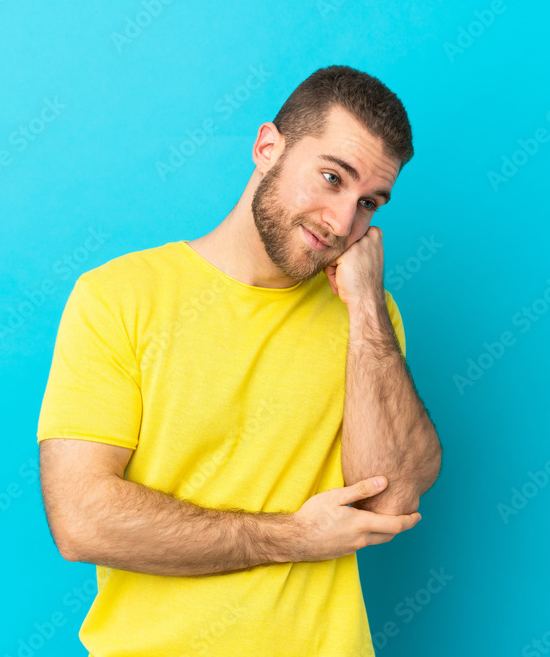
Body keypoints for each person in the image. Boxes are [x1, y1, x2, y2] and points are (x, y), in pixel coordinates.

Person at [36, 64, 442, 656]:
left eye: (369, 203)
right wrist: (293, 538)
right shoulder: (118, 297)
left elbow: (388, 502)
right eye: (332, 178)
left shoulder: (367, 319)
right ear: (267, 147)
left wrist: (366, 307)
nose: (342, 223)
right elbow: (82, 519)